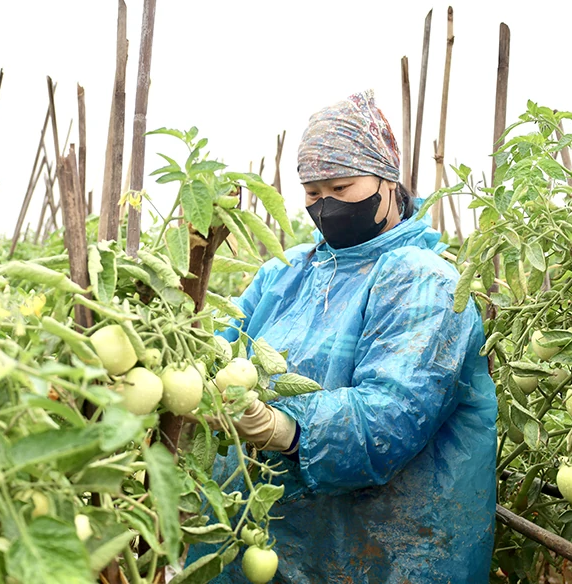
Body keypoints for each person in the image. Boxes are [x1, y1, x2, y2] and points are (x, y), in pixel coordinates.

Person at [186, 90, 498, 583]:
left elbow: (395, 413)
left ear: (389, 183)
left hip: (388, 552)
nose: (325, 205)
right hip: (270, 545)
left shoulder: (424, 282)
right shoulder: (284, 275)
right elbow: (216, 351)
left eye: (342, 186)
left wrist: (284, 427)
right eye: (312, 192)